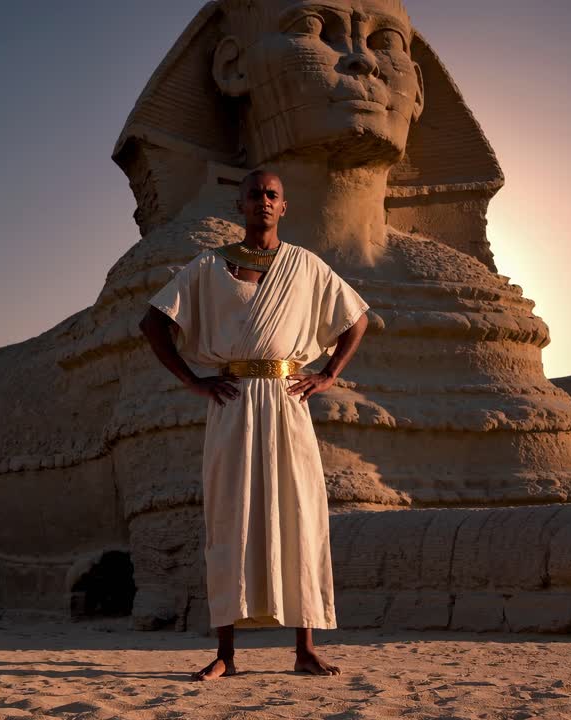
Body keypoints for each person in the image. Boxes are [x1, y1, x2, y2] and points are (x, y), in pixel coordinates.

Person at [138, 170, 370, 680]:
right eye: (254, 194)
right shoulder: (209, 266)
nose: (262, 201)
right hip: (234, 401)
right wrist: (194, 381)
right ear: (238, 204)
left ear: (284, 206)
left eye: (272, 194)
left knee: (299, 515)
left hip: (289, 403)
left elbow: (356, 318)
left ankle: (304, 650)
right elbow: (154, 322)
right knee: (230, 518)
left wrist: (329, 373)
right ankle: (226, 654)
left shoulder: (305, 266)